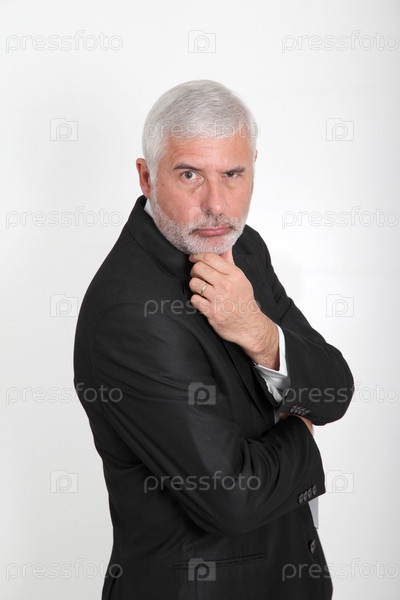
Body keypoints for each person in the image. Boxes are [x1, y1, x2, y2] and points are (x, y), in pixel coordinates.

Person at [74, 79, 354, 600]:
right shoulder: (127, 314)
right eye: (189, 175)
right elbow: (233, 499)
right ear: (146, 177)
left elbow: (335, 392)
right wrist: (301, 429)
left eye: (232, 174)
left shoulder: (243, 250)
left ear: (253, 169)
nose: (216, 205)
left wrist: (259, 333)